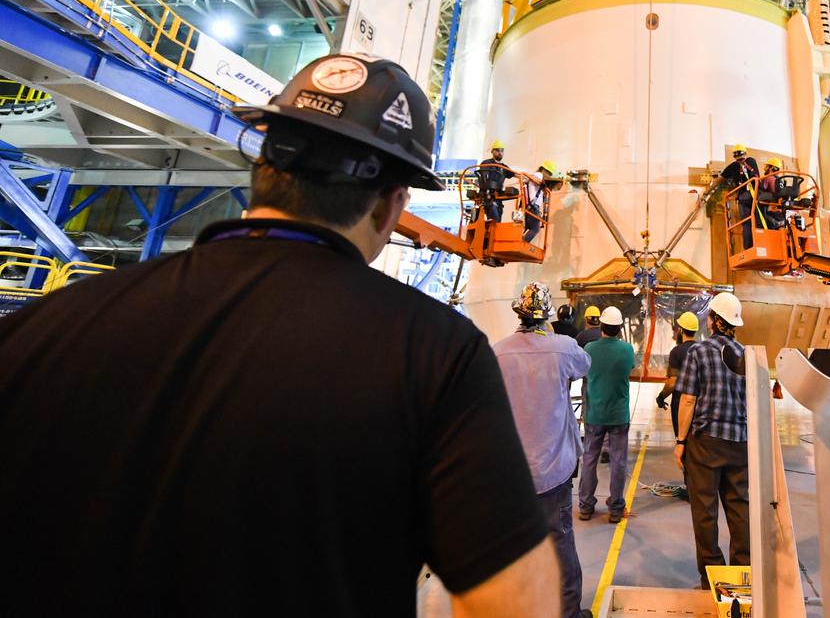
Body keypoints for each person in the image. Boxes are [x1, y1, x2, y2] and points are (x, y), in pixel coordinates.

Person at [0, 54, 558, 617]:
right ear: (393, 205)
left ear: (263, 165)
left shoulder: (43, 325)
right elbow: (515, 603)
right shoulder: (435, 352)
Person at [493, 282, 593, 618]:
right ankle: (568, 612)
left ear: (517, 313)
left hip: (511, 472)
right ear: (547, 315)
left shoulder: (498, 351)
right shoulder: (563, 348)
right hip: (553, 469)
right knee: (560, 541)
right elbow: (584, 365)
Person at [674, 292, 750, 584]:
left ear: (714, 320)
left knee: (705, 511)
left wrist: (681, 441)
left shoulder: (698, 352)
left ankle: (712, 576)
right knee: (739, 508)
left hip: (706, 443)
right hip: (740, 442)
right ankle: (742, 574)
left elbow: (688, 400)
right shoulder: (747, 354)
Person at [579, 306, 635, 523]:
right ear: (620, 328)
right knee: (618, 461)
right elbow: (630, 368)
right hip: (619, 415)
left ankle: (585, 506)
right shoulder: (627, 349)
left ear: (601, 325)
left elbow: (582, 371)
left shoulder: (590, 348)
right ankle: (616, 508)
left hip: (594, 414)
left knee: (589, 459)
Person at [656, 311, 701, 440]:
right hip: (699, 402)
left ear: (681, 330)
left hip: (680, 403)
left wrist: (661, 397)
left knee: (682, 439)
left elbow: (672, 382)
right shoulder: (702, 349)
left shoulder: (676, 352)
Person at [720, 143, 761, 248]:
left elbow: (721, 178)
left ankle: (749, 247)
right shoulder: (747, 162)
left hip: (747, 196)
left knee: (748, 223)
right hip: (750, 196)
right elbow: (722, 178)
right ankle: (753, 246)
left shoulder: (748, 162)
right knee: (752, 222)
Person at [477, 139, 515, 223]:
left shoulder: (504, 167)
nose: (500, 152)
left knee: (498, 218)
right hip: (488, 195)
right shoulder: (486, 163)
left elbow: (516, 175)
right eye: (497, 150)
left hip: (498, 198)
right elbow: (484, 178)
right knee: (494, 218)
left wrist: (528, 177)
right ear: (492, 151)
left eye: (502, 150)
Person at [522, 159, 557, 243]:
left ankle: (518, 242)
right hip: (533, 207)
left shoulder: (541, 181)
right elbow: (531, 176)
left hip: (530, 207)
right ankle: (522, 243)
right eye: (548, 173)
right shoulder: (539, 175)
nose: (549, 176)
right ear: (543, 170)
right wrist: (540, 182)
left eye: (550, 174)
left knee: (526, 227)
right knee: (535, 228)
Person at [756, 157, 786, 229]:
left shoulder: (768, 177)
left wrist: (757, 181)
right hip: (779, 205)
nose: (765, 168)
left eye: (767, 166)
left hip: (771, 202)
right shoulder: (781, 180)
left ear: (772, 168)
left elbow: (763, 188)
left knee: (757, 201)